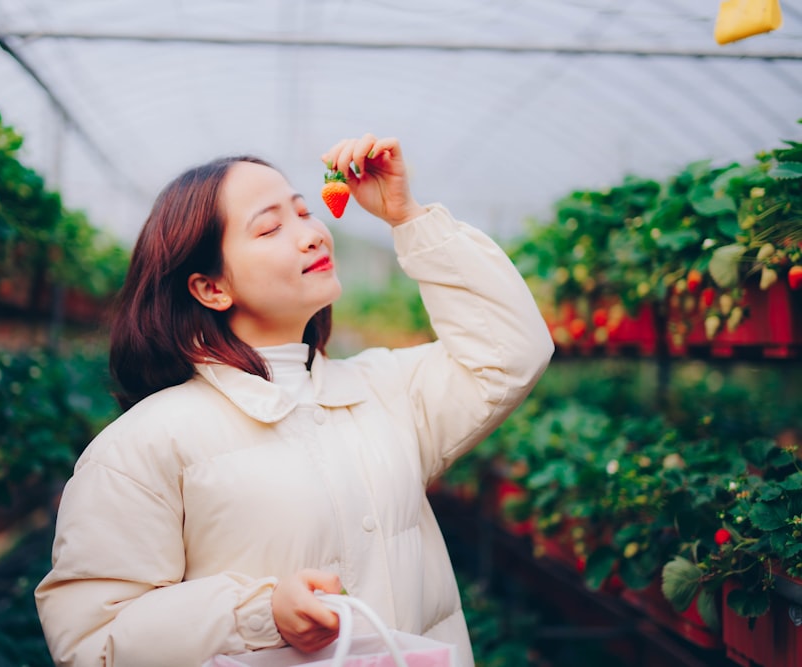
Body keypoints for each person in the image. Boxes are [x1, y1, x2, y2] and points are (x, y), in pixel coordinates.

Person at [34, 134, 554, 667]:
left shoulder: (386, 391)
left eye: (305, 212)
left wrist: (408, 217)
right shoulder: (143, 445)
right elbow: (92, 639)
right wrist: (261, 614)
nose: (310, 235)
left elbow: (512, 352)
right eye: (270, 227)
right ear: (211, 288)